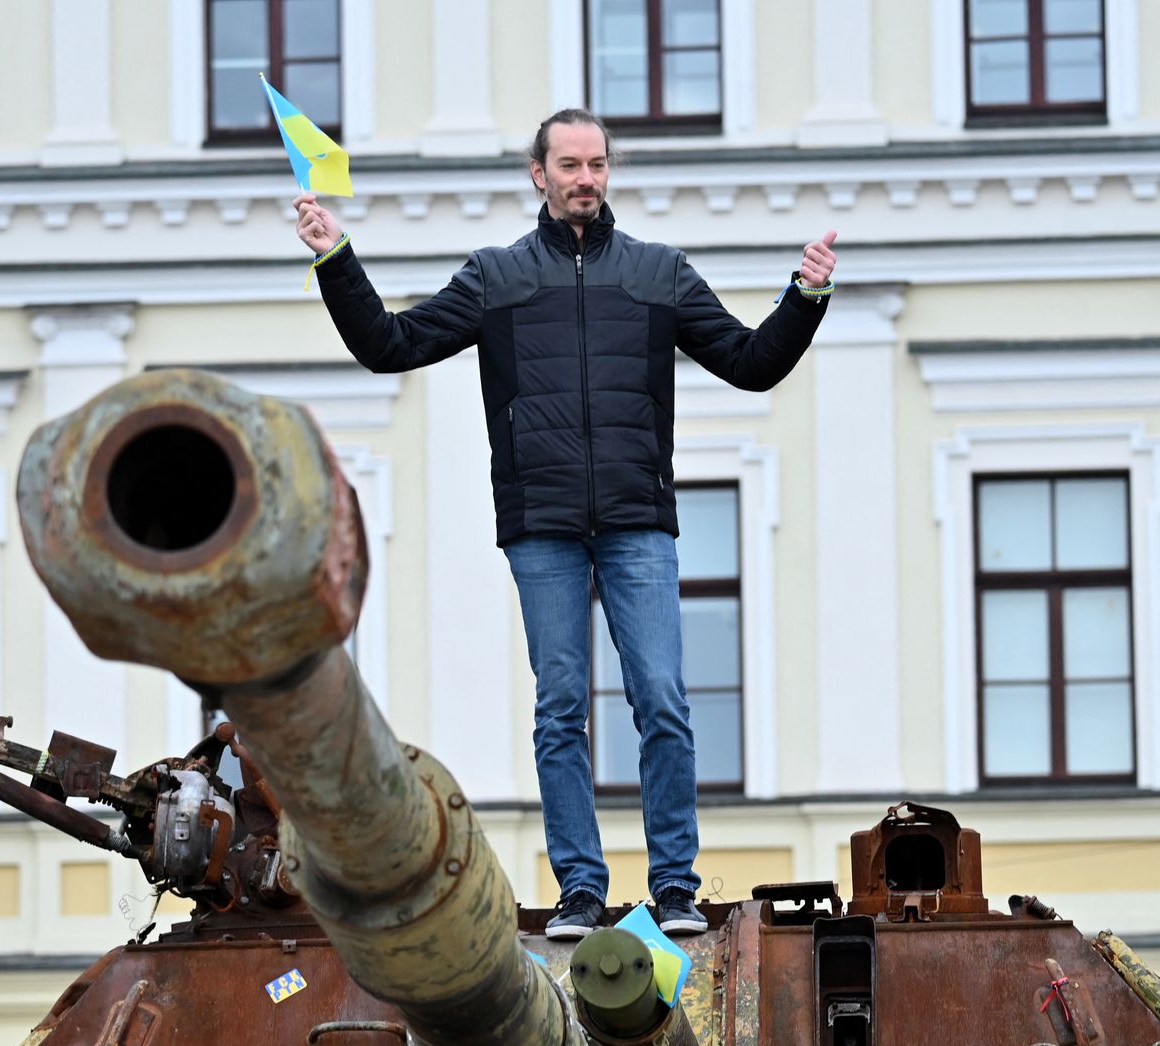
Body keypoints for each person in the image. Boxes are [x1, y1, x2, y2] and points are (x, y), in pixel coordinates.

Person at [295, 108, 836, 940]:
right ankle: (581, 889)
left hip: (637, 521)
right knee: (561, 711)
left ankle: (675, 887)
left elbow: (753, 364)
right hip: (541, 524)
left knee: (662, 698)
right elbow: (389, 344)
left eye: (598, 164)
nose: (586, 178)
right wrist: (336, 254)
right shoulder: (497, 278)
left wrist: (805, 297)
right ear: (537, 175)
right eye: (570, 165)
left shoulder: (660, 274)